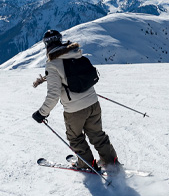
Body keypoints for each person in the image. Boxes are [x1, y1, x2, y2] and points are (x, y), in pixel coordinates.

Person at [32, 29, 119, 171]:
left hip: (74, 110)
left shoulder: (53, 64)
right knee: (98, 135)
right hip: (93, 103)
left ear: (46, 45)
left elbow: (53, 94)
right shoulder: (76, 54)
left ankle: (87, 165)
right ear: (59, 40)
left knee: (76, 138)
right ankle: (112, 162)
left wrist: (42, 113)